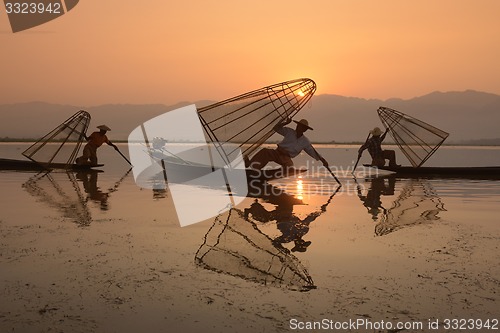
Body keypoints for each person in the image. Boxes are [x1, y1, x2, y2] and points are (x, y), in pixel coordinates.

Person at [248, 118, 329, 169]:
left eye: (301, 127)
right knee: (264, 151)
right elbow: (276, 128)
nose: (298, 128)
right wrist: (285, 123)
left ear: (305, 130)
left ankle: (273, 173)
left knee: (290, 168)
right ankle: (253, 167)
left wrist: (323, 160)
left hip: (286, 157)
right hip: (277, 152)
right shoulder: (289, 131)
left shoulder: (305, 141)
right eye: (298, 126)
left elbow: (313, 152)